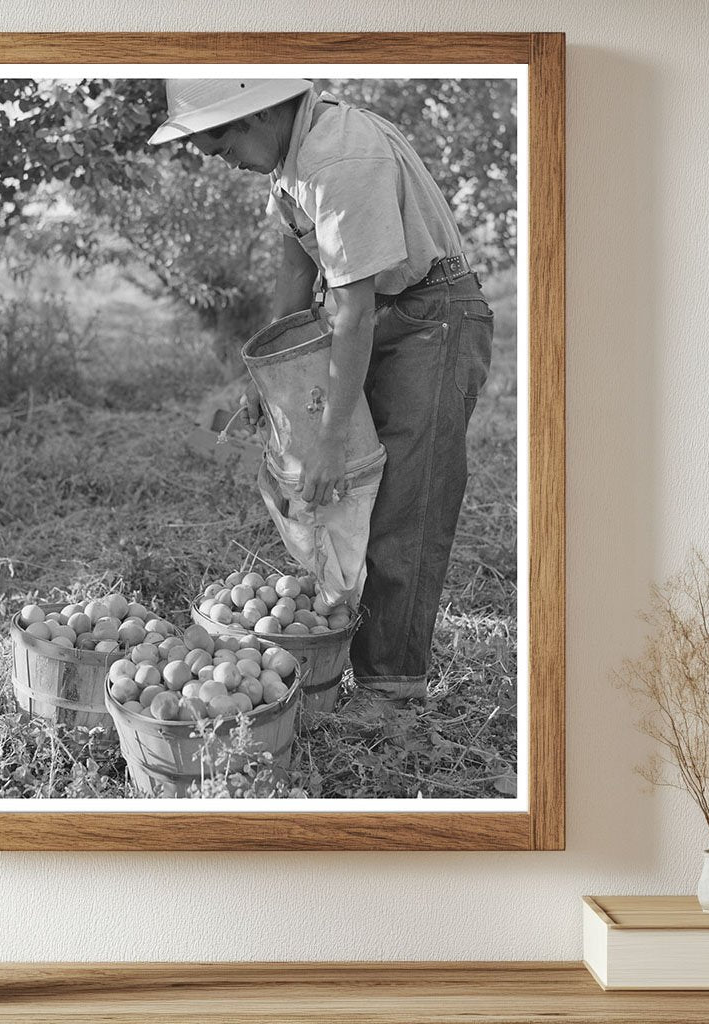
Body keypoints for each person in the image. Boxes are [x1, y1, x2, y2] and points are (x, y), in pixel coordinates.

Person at [149, 79, 494, 706]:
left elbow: (352, 312)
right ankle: (348, 658)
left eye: (216, 143)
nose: (214, 157)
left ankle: (392, 694)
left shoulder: (339, 160)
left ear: (255, 113)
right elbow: (295, 271)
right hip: (386, 313)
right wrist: (267, 378)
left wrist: (330, 440)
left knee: (405, 501)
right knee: (357, 499)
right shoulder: (292, 163)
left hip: (432, 315)